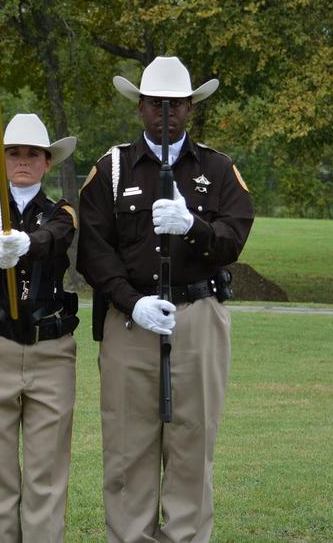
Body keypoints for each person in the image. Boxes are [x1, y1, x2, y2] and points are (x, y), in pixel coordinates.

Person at [77, 56, 254, 543]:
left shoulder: (217, 168)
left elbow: (234, 237)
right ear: (139, 108)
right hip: (130, 320)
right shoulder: (111, 168)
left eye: (175, 103)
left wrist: (192, 226)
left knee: (192, 448)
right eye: (155, 102)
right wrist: (130, 301)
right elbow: (93, 249)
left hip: (198, 318)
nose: (165, 111)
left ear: (190, 109)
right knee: (128, 449)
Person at [0, 113, 80, 541]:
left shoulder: (61, 211)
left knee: (46, 470)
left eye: (33, 154)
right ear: (1, 160)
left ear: (48, 162)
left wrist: (29, 243)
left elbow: (57, 236)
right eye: (14, 153)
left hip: (50, 349)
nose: (23, 161)